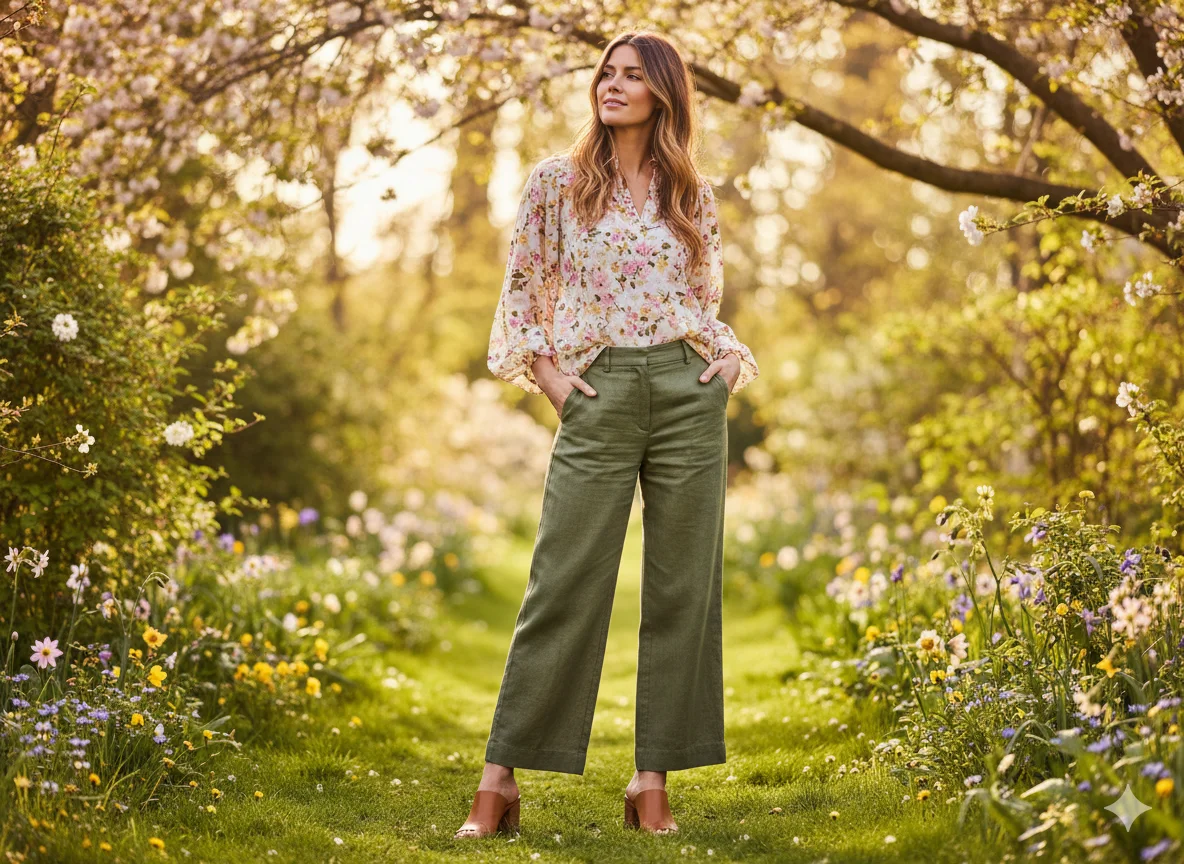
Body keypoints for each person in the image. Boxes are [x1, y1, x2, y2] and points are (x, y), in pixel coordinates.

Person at [455, 30, 759, 839]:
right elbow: (521, 292)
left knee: (681, 588)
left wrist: (726, 363)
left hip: (688, 386)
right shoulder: (557, 183)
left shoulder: (690, 190)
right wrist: (550, 377)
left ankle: (650, 782)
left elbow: (705, 297)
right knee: (564, 580)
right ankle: (499, 783)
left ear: (664, 93)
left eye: (632, 76)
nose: (613, 86)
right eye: (607, 74)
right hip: (599, 386)